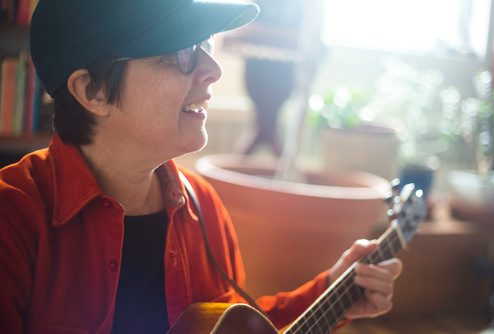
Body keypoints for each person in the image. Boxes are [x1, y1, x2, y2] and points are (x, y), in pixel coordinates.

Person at [0, 0, 403, 333]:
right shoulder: (12, 216)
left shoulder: (203, 205)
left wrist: (331, 289)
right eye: (181, 52)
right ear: (92, 90)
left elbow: (227, 325)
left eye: (206, 44)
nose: (213, 69)